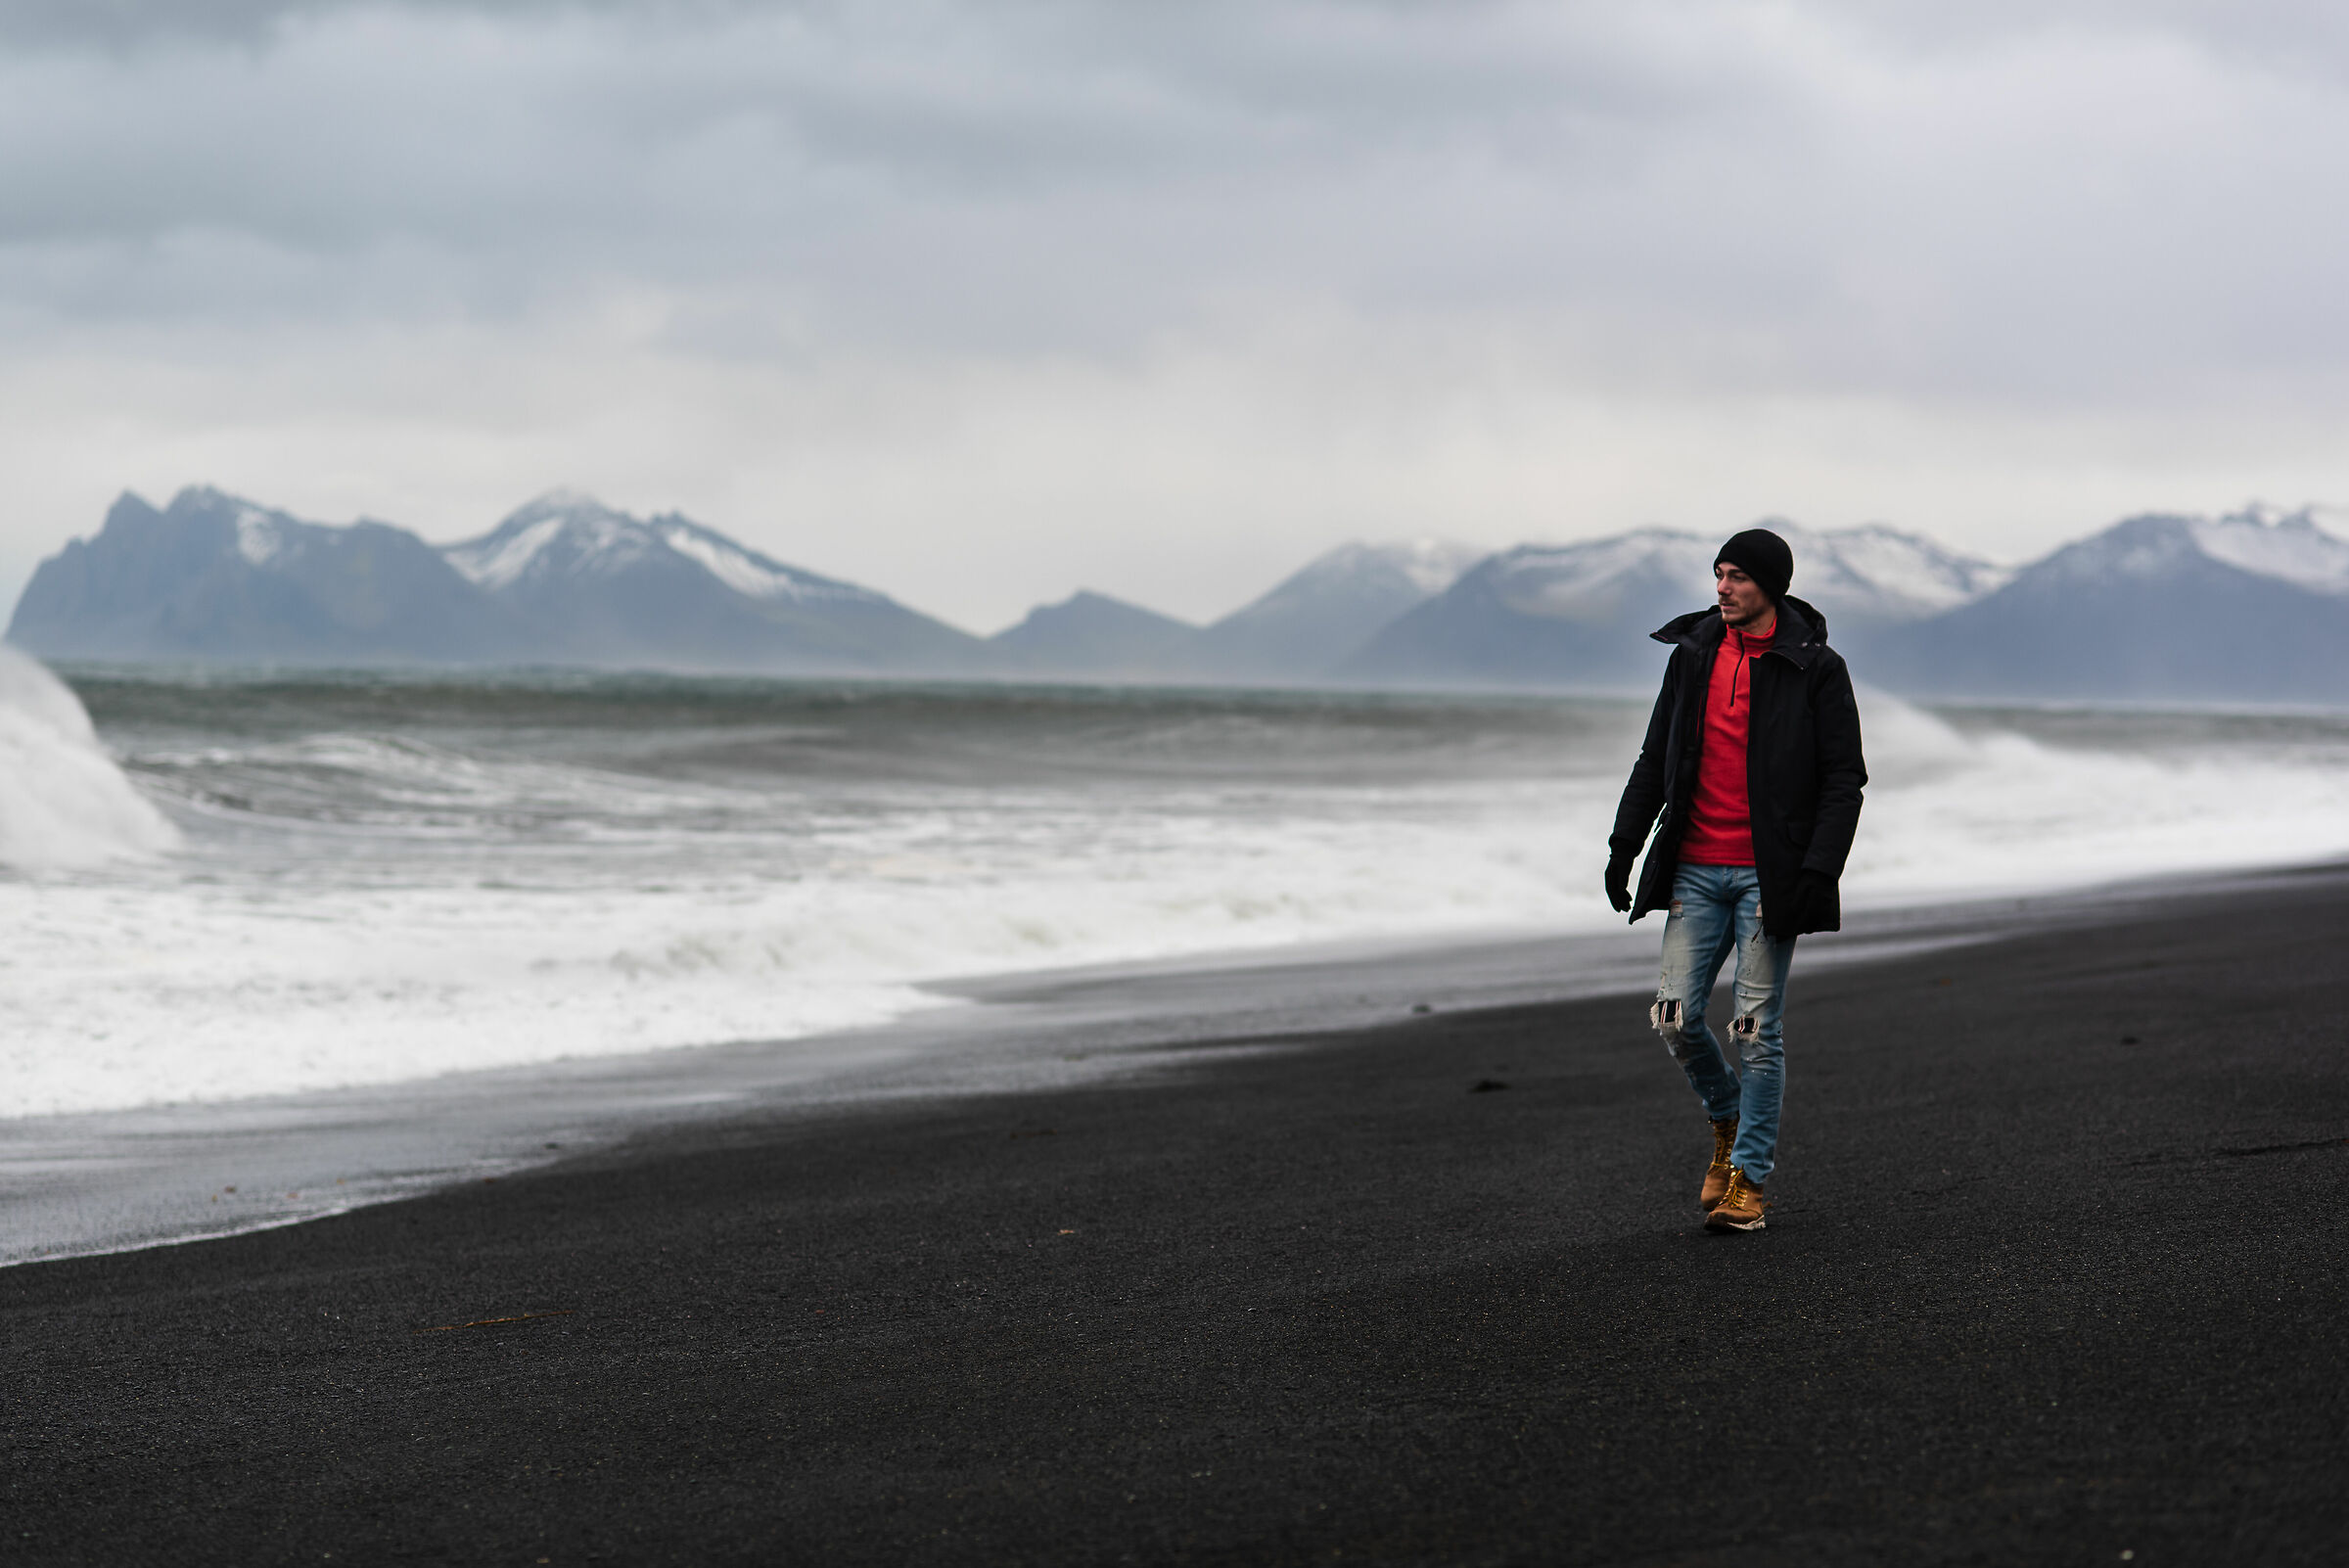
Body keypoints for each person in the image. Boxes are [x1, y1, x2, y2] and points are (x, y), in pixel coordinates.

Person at [1604, 528, 1866, 1232]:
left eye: (1737, 576)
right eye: (1718, 573)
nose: (1722, 588)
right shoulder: (1692, 657)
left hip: (1769, 876)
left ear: (1770, 586)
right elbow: (1654, 758)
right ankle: (1727, 1118)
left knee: (1755, 1029)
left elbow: (1844, 780)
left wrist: (1818, 870)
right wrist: (1624, 847)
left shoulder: (1816, 668)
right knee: (1675, 1017)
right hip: (1693, 868)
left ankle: (1749, 1180)